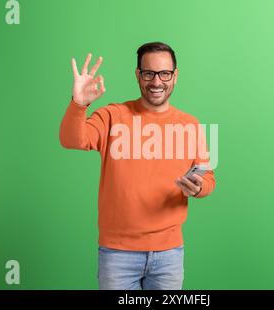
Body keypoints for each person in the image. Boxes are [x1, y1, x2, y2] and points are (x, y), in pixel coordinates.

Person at [59, 42, 216, 290]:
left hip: (169, 254)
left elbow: (209, 179)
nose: (156, 82)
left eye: (164, 74)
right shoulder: (112, 116)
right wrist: (78, 104)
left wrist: (197, 188)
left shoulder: (190, 124)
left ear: (175, 76)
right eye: (148, 73)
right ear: (137, 75)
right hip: (117, 254)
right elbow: (71, 140)